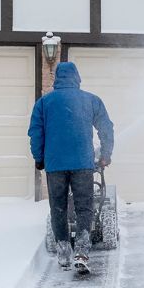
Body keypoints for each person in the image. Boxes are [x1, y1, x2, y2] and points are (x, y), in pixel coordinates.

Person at [28, 61, 115, 269]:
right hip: (82, 163)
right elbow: (106, 128)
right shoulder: (90, 100)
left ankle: (64, 251)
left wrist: (39, 158)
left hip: (55, 164)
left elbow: (35, 133)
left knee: (58, 207)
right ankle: (82, 251)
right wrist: (105, 155)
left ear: (57, 78)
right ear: (77, 77)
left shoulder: (44, 103)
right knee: (84, 207)